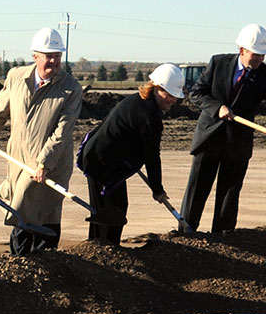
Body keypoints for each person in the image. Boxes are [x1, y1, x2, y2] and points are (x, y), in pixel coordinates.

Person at [180, 24, 266, 235]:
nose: (259, 59)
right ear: (242, 50)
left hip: (237, 144)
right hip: (209, 138)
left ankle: (224, 238)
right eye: (256, 54)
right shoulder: (218, 63)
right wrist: (217, 107)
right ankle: (186, 235)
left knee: (229, 194)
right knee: (197, 190)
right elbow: (196, 93)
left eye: (263, 55)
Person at [0, 27, 84, 255]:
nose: (54, 62)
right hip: (19, 160)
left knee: (45, 211)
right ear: (35, 56)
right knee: (21, 209)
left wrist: (45, 163)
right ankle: (20, 265)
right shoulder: (17, 77)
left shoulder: (70, 88)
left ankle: (46, 265)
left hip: (51, 164)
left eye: (57, 57)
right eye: (49, 56)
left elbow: (62, 132)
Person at [77, 64, 185, 245]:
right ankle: (104, 248)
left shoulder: (137, 100)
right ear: (157, 88)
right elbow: (152, 156)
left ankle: (101, 246)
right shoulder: (149, 117)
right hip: (102, 162)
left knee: (107, 209)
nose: (173, 100)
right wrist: (157, 189)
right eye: (170, 95)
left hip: (99, 156)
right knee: (113, 210)